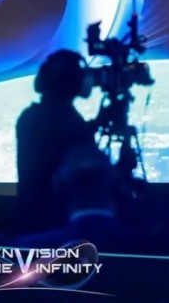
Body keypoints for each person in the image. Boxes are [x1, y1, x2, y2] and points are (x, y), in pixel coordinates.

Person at [16, 50, 100, 228]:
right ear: (77, 84)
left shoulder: (28, 116)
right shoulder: (72, 123)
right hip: (62, 223)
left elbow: (53, 149)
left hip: (31, 218)